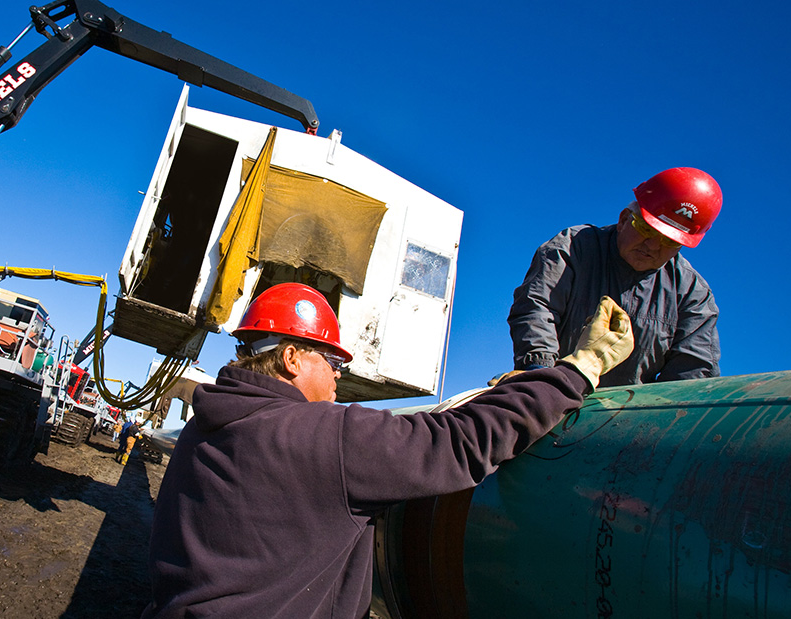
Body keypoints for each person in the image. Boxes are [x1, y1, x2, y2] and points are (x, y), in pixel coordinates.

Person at [142, 283, 634, 618]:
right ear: (292, 358)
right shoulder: (326, 436)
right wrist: (580, 367)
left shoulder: (205, 427)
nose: (341, 374)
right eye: (332, 359)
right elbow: (459, 442)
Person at [505, 166, 722, 387]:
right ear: (624, 219)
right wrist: (540, 375)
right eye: (647, 229)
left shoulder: (692, 292)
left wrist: (662, 411)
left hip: (632, 414)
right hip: (556, 389)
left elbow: (693, 367)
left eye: (670, 241)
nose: (653, 246)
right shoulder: (573, 248)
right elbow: (538, 307)